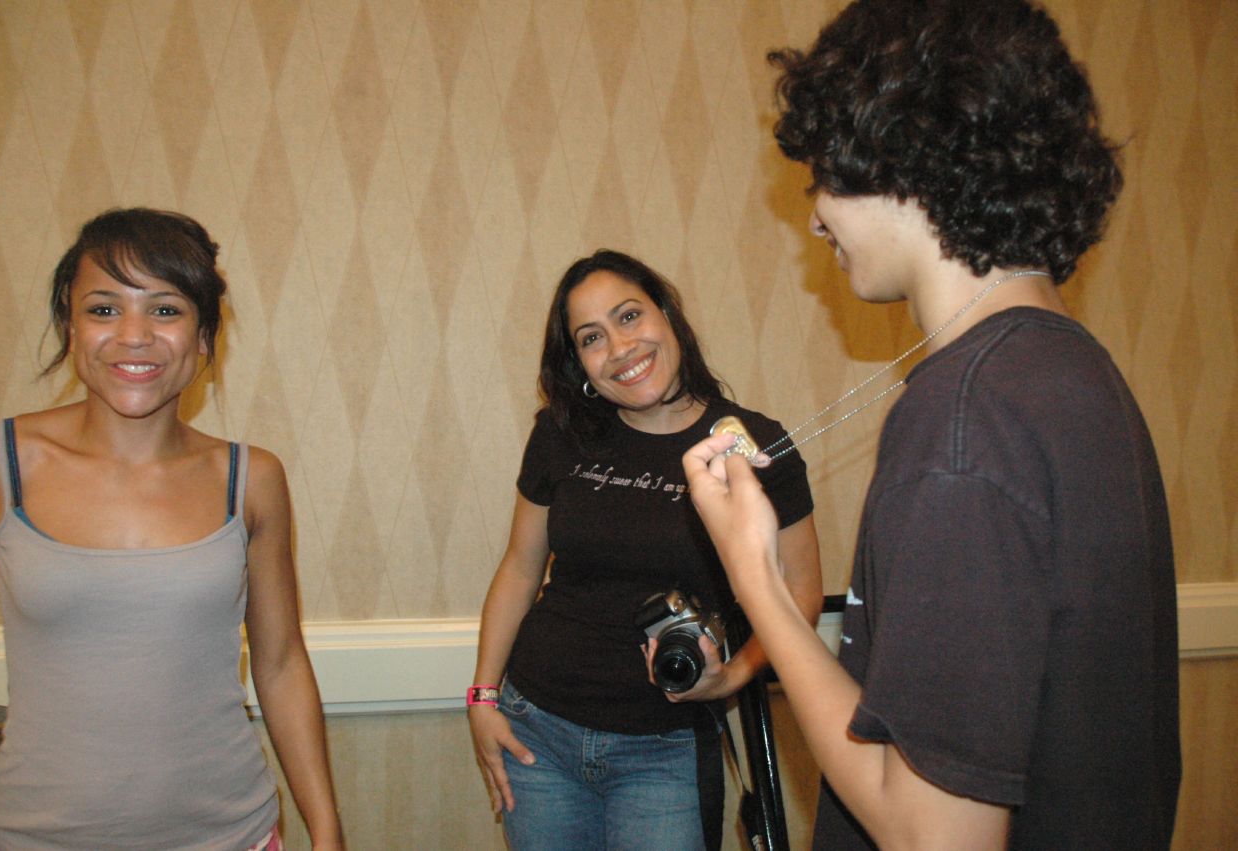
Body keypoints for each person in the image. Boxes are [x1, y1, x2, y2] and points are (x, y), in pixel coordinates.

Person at [682, 1, 1181, 849]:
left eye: (828, 175)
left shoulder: (964, 417)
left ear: (903, 155)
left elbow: (932, 835)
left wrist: (754, 576)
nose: (815, 217)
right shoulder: (1078, 376)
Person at [0, 208, 344, 851]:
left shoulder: (251, 478)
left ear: (203, 337)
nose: (134, 335)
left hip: (232, 836)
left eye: (165, 310)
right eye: (104, 309)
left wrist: (327, 831)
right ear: (69, 324)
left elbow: (278, 664)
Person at [468, 250, 822, 850]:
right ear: (580, 363)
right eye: (592, 337)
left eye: (629, 317)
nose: (620, 348)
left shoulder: (751, 444)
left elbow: (801, 592)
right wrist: (481, 696)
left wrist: (733, 677)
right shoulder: (561, 434)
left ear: (667, 314)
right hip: (538, 734)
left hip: (668, 750)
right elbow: (520, 568)